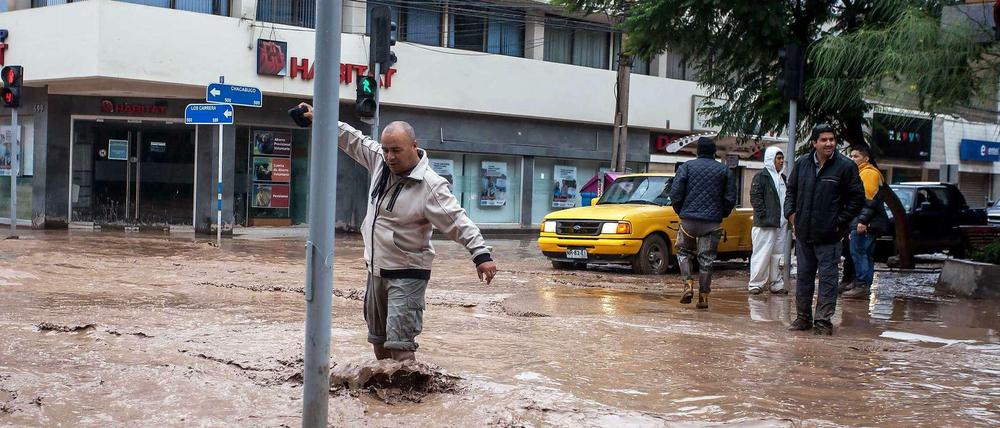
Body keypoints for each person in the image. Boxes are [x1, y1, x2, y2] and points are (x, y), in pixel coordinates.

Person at [298, 103, 498, 362]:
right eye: (386, 150)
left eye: (396, 150)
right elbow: (352, 140)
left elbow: (457, 221)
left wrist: (481, 254)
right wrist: (320, 117)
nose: (390, 156)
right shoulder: (380, 162)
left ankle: (410, 401)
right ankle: (383, 401)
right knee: (379, 343)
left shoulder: (431, 186)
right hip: (376, 271)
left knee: (400, 347)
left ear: (414, 147)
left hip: (407, 276)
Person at [785, 124, 865, 335]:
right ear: (814, 143)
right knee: (803, 277)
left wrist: (839, 222)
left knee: (828, 280)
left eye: (832, 139)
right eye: (824, 140)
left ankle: (822, 321)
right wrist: (791, 215)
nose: (829, 143)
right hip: (804, 233)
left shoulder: (845, 166)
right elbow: (790, 192)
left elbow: (857, 199)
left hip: (830, 236)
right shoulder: (802, 164)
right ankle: (803, 318)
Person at [669, 137, 738, 309]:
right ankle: (704, 297)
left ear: (697, 151)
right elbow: (730, 198)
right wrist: (721, 214)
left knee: (683, 252)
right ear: (714, 151)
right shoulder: (724, 171)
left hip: (688, 221)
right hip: (712, 223)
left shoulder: (686, 167)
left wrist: (681, 212)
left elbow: (676, 194)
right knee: (706, 260)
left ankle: (688, 284)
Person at [843, 144, 888, 299]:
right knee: (865, 254)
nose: (852, 159)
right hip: (867, 222)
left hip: (865, 223)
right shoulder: (864, 173)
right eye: (851, 156)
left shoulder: (868, 174)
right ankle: (862, 285)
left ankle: (862, 285)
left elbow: (868, 201)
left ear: (866, 158)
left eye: (856, 156)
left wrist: (861, 222)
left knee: (860, 252)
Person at [748, 146, 787, 295]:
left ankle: (776, 283)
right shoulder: (761, 177)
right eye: (778, 158)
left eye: (782, 158)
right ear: (771, 159)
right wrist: (763, 215)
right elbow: (755, 198)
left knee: (777, 255)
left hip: (780, 224)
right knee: (762, 253)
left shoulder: (783, 178)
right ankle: (756, 284)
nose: (781, 161)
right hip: (764, 224)